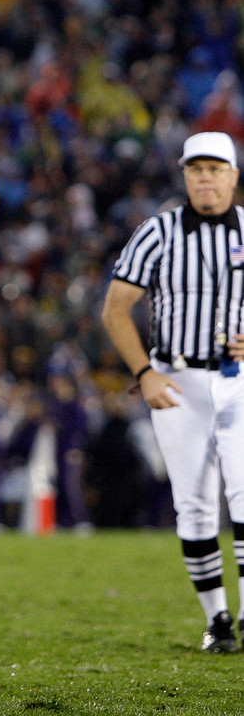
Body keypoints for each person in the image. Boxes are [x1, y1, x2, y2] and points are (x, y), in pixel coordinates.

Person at [102, 131, 244, 653]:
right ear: (185, 174)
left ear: (233, 174)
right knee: (195, 506)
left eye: (216, 168)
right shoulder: (158, 232)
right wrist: (144, 373)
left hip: (237, 378)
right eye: (197, 168)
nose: (206, 177)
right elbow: (115, 309)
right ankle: (219, 621)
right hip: (176, 379)